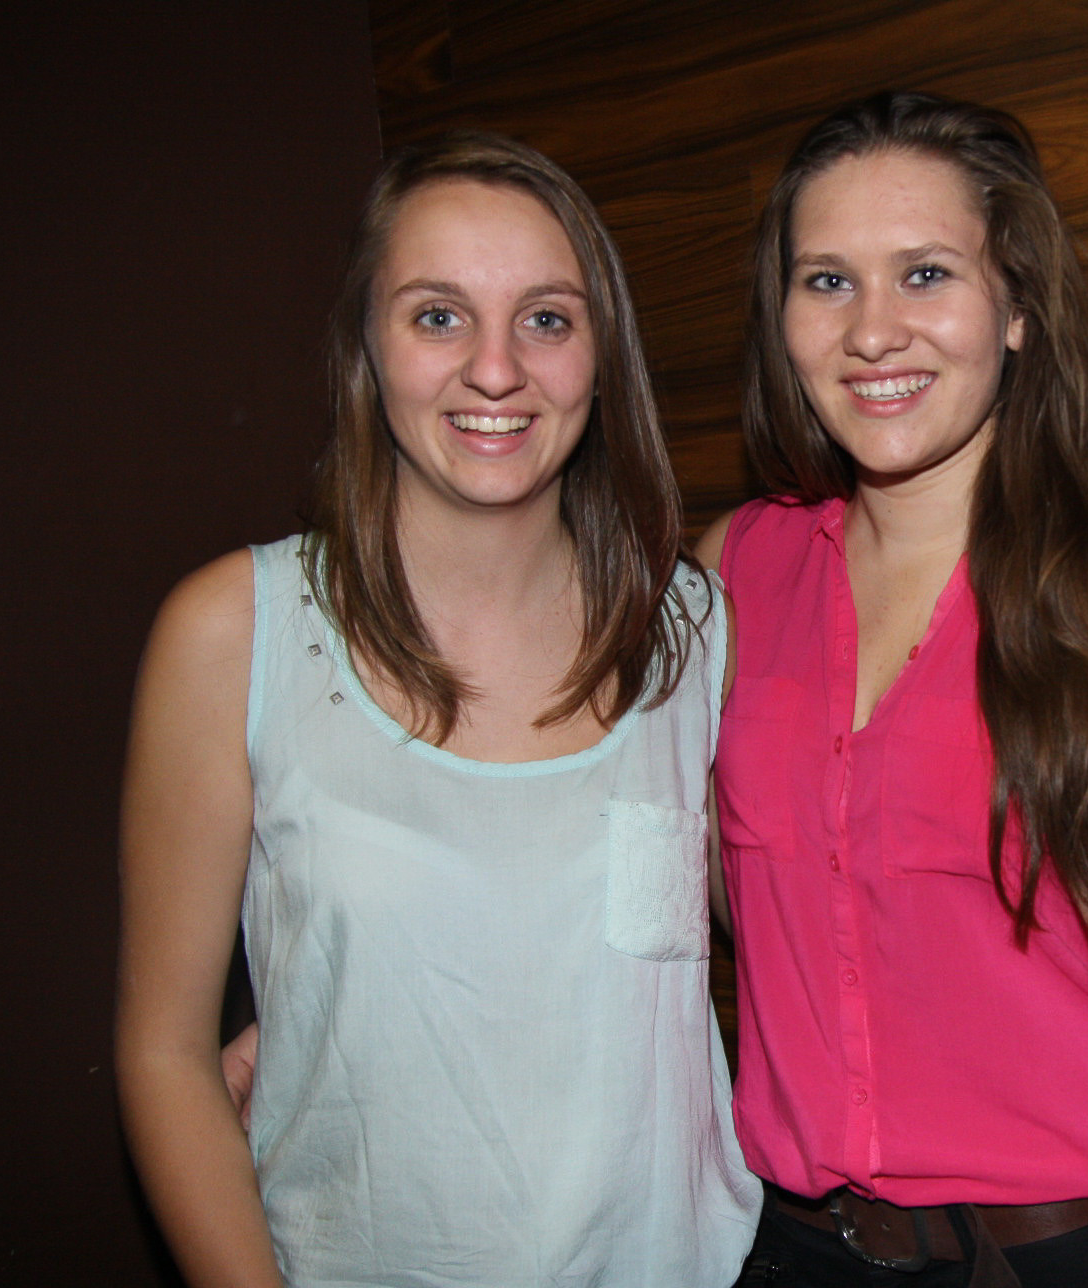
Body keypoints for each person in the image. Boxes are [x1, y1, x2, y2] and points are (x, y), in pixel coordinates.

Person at [115, 132, 760, 1288]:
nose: (495, 369)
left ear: (603, 353)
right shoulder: (234, 633)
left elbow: (809, 916)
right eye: (438, 315)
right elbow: (163, 1050)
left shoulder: (693, 632)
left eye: (547, 319)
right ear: (368, 343)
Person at [694, 91, 1088, 1288]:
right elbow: (713, 886)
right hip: (800, 1247)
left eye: (925, 274)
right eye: (827, 281)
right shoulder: (730, 572)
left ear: (1019, 308)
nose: (872, 331)